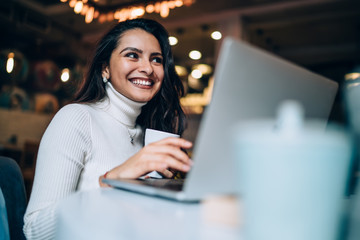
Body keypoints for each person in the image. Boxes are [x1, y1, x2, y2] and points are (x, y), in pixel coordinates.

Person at [23, 18, 193, 239]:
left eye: (156, 59)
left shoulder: (148, 134)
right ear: (105, 68)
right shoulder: (76, 118)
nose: (147, 68)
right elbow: (35, 231)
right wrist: (111, 181)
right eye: (132, 55)